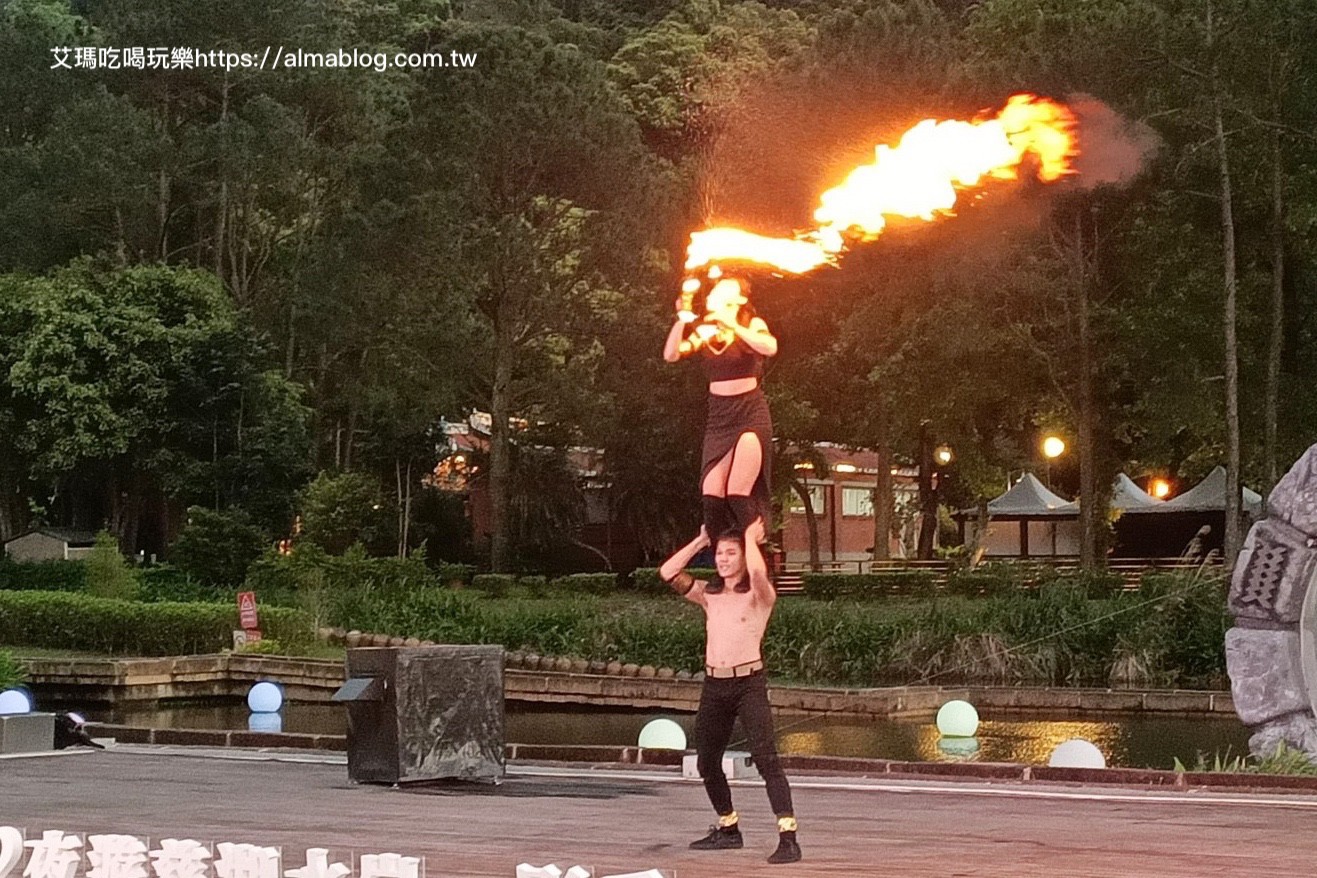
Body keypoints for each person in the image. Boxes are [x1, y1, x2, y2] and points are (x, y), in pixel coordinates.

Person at [659, 517, 801, 865]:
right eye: (719, 553)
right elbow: (667, 572)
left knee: (767, 759)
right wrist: (700, 541)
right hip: (714, 685)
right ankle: (728, 827)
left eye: (730, 553)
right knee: (707, 761)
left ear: (743, 557)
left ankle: (788, 837)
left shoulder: (759, 595)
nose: (722, 559)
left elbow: (759, 575)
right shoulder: (709, 595)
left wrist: (751, 540)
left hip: (748, 684)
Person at [663, 276, 778, 545]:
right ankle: (725, 564)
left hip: (749, 412)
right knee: (712, 494)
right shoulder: (706, 331)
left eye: (725, 288)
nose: (715, 291)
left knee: (738, 490)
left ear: (739, 300)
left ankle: (755, 557)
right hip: (720, 416)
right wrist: (682, 318)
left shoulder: (752, 324)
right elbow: (671, 355)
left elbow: (769, 347)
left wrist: (733, 324)